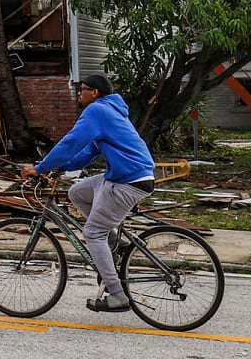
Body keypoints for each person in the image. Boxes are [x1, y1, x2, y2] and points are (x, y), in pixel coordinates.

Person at [20, 73, 156, 313]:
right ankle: (113, 241)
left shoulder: (97, 111)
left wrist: (41, 167)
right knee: (78, 192)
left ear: (94, 93)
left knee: (93, 233)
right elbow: (87, 153)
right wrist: (61, 167)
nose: (79, 94)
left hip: (129, 181)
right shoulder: (110, 111)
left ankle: (117, 295)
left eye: (82, 89)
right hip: (132, 175)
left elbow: (71, 142)